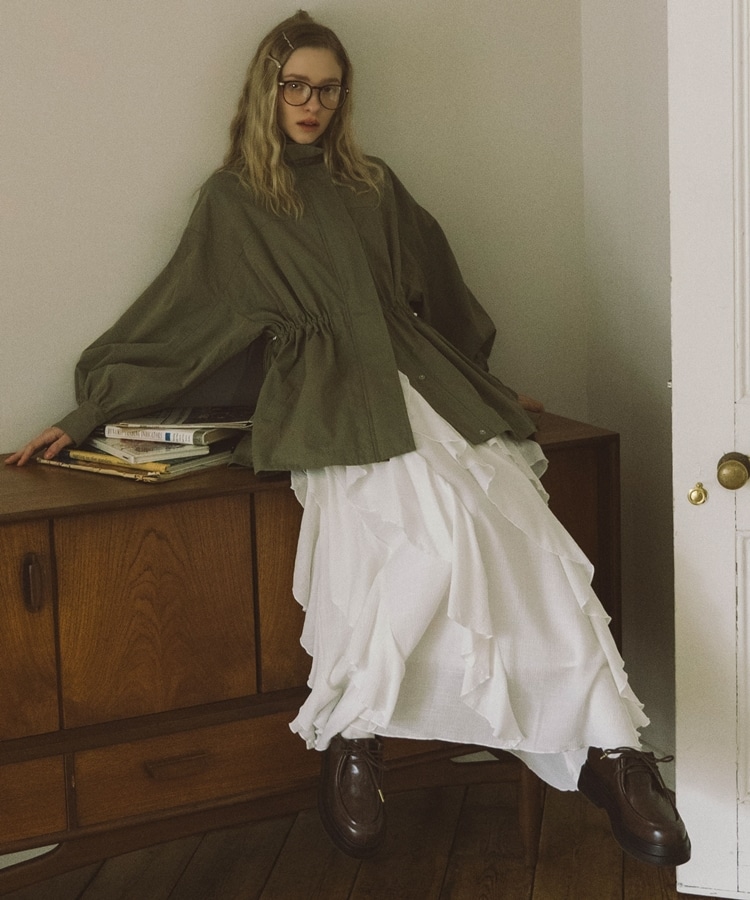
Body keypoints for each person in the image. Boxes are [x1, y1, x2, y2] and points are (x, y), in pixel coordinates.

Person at [7, 10, 689, 867]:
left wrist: (480, 379)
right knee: (421, 541)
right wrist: (85, 416)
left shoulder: (374, 184)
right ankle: (357, 734)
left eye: (328, 90)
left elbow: (439, 286)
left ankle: (616, 752)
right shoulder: (235, 200)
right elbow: (182, 319)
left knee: (523, 534)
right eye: (295, 86)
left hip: (425, 386)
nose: (312, 104)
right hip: (331, 402)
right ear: (266, 90)